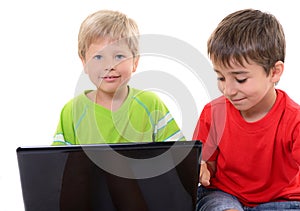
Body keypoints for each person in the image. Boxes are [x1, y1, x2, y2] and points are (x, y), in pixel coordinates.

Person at [193, 9, 300, 210]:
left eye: (241, 79)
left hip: (283, 201)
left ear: (274, 72)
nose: (228, 90)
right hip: (226, 196)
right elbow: (207, 166)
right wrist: (201, 168)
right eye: (221, 78)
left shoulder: (294, 119)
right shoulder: (214, 113)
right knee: (214, 205)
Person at [52, 9, 185, 145]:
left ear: (135, 62)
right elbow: (57, 163)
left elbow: (179, 156)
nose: (109, 66)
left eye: (119, 56)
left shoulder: (151, 105)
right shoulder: (72, 111)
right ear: (84, 63)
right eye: (98, 57)